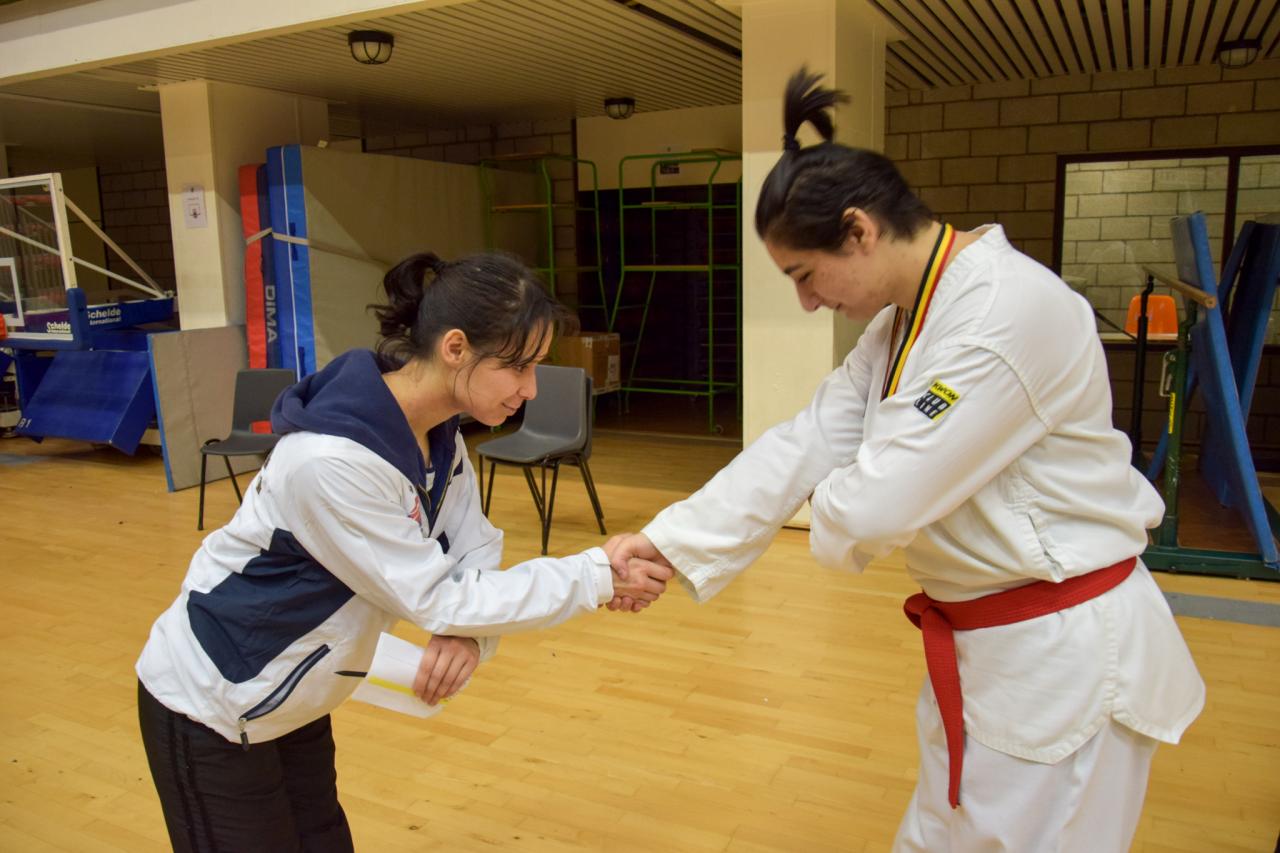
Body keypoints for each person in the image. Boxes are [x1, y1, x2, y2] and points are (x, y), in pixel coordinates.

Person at [607, 69, 1204, 851]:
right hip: (991, 648)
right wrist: (670, 540)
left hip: (1063, 655)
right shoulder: (904, 324)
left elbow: (873, 506)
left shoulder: (998, 314)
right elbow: (808, 438)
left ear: (858, 230)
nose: (808, 302)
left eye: (804, 275)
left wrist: (845, 491)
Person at [136, 251, 672, 852]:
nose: (530, 389)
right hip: (212, 700)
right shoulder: (330, 464)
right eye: (518, 366)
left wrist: (469, 632)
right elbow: (439, 597)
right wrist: (598, 575)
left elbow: (475, 552)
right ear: (455, 347)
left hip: (295, 696)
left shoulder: (440, 439)